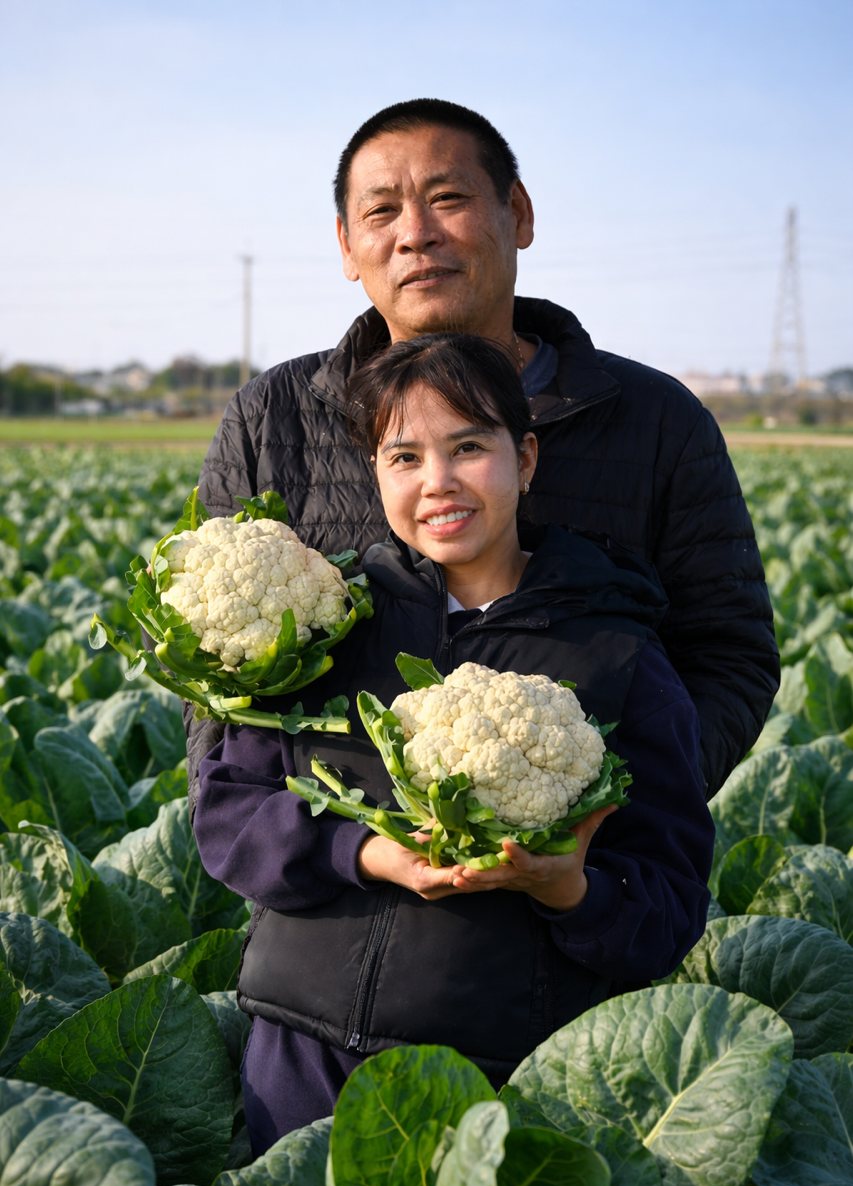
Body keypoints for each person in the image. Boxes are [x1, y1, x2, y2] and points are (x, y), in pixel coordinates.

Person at [194, 333, 715, 1154]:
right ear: (377, 474)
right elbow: (227, 818)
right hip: (299, 1057)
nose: (436, 482)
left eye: (467, 447)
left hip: (497, 1078)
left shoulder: (616, 657)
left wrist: (567, 889)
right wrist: (364, 854)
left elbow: (669, 903)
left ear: (526, 457)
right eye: (403, 456)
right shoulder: (323, 631)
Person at [191, 97, 779, 807]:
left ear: (518, 214)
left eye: (447, 199)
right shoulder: (271, 416)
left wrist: (606, 820)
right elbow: (211, 677)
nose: (415, 234)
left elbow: (726, 655)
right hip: (335, 888)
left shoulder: (656, 419)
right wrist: (306, 848)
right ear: (347, 246)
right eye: (382, 213)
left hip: (578, 897)